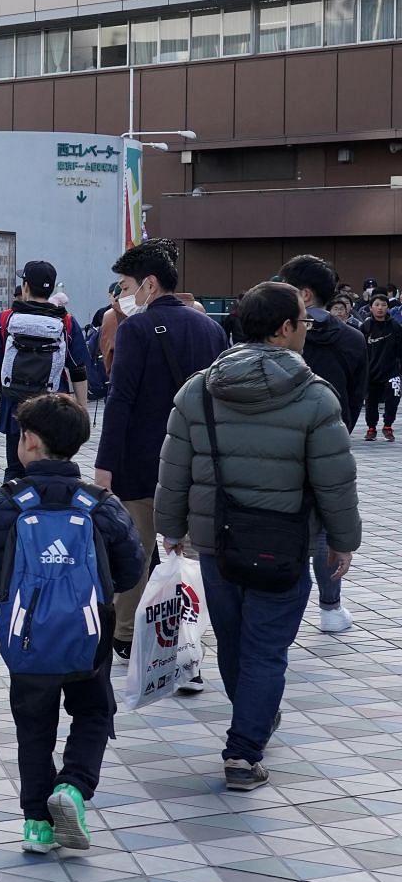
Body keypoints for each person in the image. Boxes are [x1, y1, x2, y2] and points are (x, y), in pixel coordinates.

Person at [154, 281, 361, 791]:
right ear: (285, 328)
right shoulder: (314, 396)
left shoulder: (197, 390)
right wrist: (343, 539)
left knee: (233, 640)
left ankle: (251, 721)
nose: (308, 330)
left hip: (216, 543)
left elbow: (174, 467)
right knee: (266, 650)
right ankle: (244, 752)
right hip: (285, 544)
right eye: (305, 322)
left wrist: (170, 527)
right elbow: (335, 479)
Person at [0, 393, 142, 853]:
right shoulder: (100, 503)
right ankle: (73, 787)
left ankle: (37, 826)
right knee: (93, 712)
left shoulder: (8, 502)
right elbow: (131, 567)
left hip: (26, 641)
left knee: (34, 728)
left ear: (29, 442)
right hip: (90, 637)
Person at [92, 241, 229, 663]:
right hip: (197, 463)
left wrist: (104, 463)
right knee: (186, 555)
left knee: (137, 549)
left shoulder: (135, 329)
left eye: (127, 285)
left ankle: (128, 634)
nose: (123, 294)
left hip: (141, 461)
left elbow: (121, 400)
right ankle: (187, 640)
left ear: (149, 284)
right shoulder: (211, 329)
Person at [279, 253, 366, 633]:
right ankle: (330, 608)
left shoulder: (279, 333)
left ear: (304, 293)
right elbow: (357, 398)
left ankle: (288, 608)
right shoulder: (352, 339)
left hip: (280, 446)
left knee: (289, 526)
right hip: (332, 445)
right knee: (328, 525)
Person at [0, 260, 88, 480]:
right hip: (53, 407)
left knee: (15, 468)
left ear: (26, 287)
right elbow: (78, 369)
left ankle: (14, 509)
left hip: (14, 404)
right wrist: (82, 408)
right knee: (54, 465)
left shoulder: (6, 319)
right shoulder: (66, 322)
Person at [362, 294, 399, 440]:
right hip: (371, 371)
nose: (380, 308)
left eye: (383, 305)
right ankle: (371, 428)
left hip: (391, 370)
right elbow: (360, 350)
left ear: (388, 308)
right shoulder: (365, 327)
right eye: (377, 305)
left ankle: (388, 425)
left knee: (394, 395)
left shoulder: (395, 326)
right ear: (371, 308)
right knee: (371, 401)